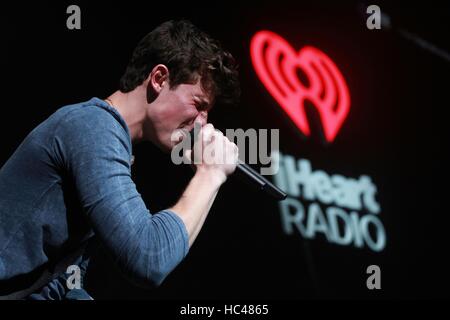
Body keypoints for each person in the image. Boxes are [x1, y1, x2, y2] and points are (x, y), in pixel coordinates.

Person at [0, 19, 240, 299]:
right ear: (159, 79)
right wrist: (210, 174)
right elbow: (149, 258)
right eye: (199, 105)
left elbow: (58, 283)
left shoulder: (108, 138)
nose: (203, 124)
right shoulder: (94, 127)